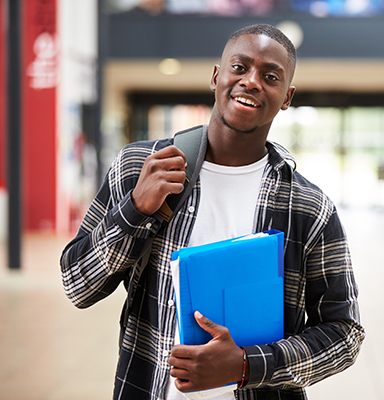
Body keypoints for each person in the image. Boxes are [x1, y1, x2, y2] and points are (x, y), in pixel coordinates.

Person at [61, 24, 364, 400]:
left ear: (286, 97)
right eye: (240, 67)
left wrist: (246, 365)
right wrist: (135, 210)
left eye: (270, 76)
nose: (251, 82)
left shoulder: (308, 207)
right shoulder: (142, 166)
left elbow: (343, 334)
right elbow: (78, 285)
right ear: (216, 77)